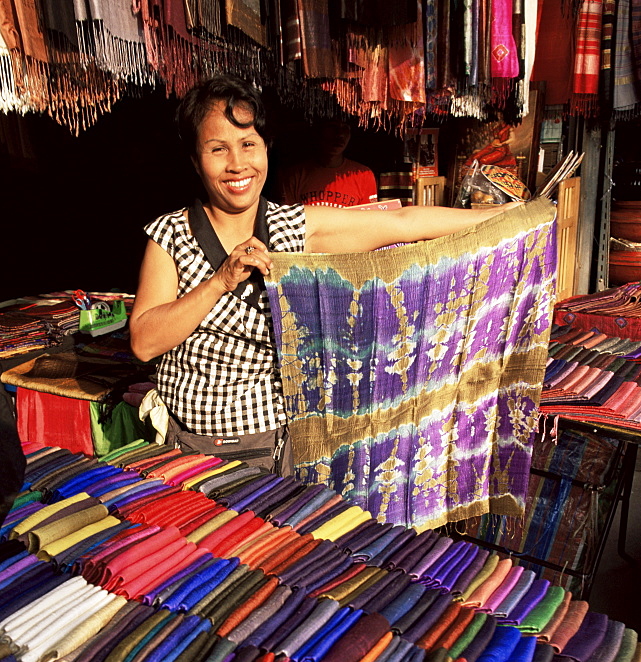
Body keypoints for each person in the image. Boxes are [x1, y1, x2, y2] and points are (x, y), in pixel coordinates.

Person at [130, 74, 522, 475]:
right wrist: (219, 282)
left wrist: (501, 215)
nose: (237, 164)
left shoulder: (294, 227)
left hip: (270, 446)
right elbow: (143, 342)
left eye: (249, 144)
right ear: (196, 160)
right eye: (218, 149)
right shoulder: (172, 234)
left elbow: (405, 222)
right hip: (186, 449)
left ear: (267, 149)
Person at [278, 117, 378, 207]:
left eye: (345, 128)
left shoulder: (364, 175)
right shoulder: (295, 175)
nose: (340, 134)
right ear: (319, 131)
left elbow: (369, 220)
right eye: (332, 127)